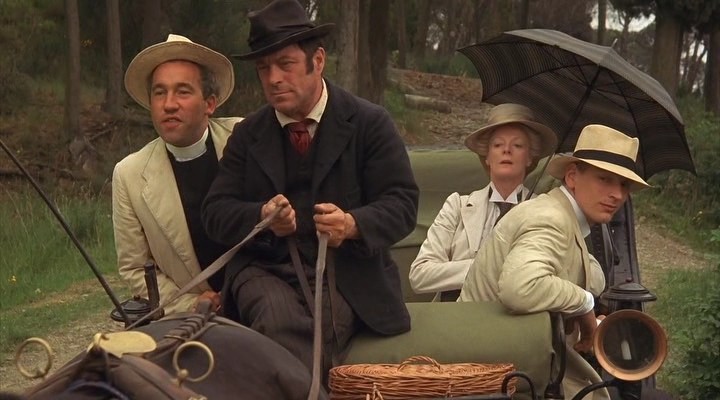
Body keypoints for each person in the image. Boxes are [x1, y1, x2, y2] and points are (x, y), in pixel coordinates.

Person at [201, 0, 418, 379]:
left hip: (346, 270)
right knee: (278, 320)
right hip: (264, 269)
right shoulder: (248, 135)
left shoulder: (369, 123)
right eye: (263, 68)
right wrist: (261, 217)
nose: (273, 78)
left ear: (317, 61)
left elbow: (402, 204)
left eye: (285, 64)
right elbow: (215, 212)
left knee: (322, 325)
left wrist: (352, 225)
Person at [459, 124, 650, 400]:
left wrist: (586, 316)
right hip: (493, 373)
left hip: (518, 362)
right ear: (572, 177)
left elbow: (582, 275)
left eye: (623, 185)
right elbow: (520, 287)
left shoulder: (564, 218)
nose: (617, 195)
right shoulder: (551, 218)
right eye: (604, 179)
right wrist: (584, 303)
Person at [113, 34, 242, 315]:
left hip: (259, 298)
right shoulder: (130, 174)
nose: (169, 104)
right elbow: (134, 268)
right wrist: (190, 303)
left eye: (182, 91)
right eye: (160, 93)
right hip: (192, 317)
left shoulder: (244, 138)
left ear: (209, 103)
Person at [409, 103, 557, 301]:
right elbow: (420, 275)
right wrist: (484, 267)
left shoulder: (544, 211)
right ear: (487, 157)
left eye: (517, 145)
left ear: (530, 158)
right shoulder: (457, 206)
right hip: (458, 314)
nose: (506, 150)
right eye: (497, 145)